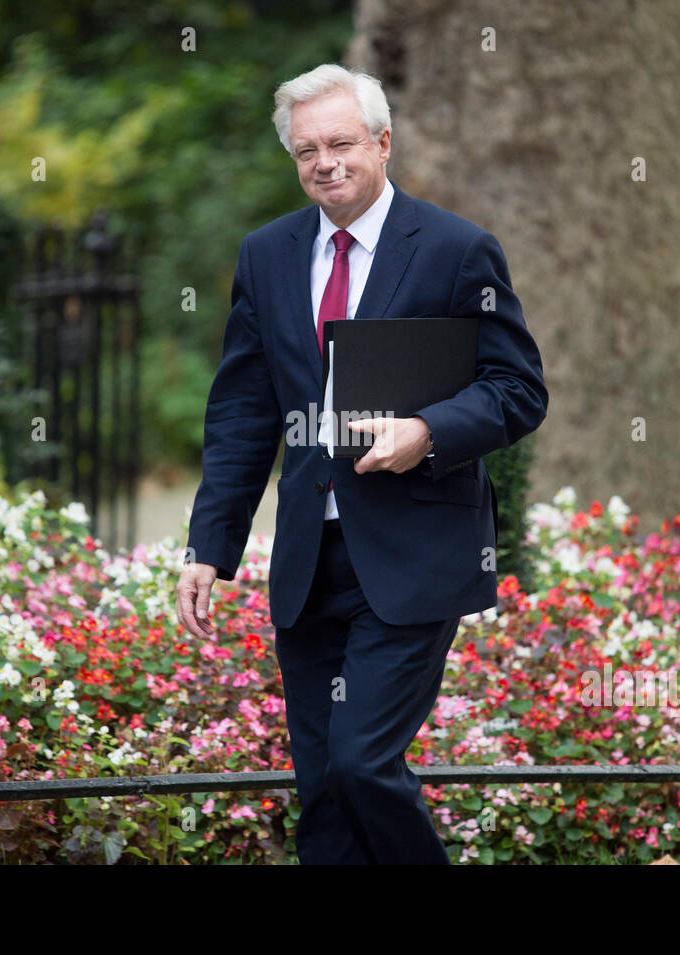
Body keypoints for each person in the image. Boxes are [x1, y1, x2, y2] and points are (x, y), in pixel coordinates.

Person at [176, 63, 548, 864]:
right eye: (308, 150)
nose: (326, 163)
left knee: (362, 762)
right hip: (310, 562)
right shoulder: (267, 255)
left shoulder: (454, 250)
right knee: (322, 789)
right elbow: (243, 413)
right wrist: (210, 546)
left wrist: (427, 429)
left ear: (382, 143)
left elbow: (518, 389)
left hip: (413, 554)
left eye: (341, 143)